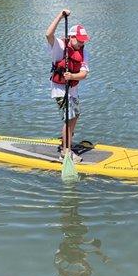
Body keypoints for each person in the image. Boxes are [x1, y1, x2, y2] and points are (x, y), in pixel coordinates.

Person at [45, 9, 90, 163]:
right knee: (68, 117)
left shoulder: (83, 52)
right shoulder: (59, 45)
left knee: (75, 116)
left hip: (73, 89)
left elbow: (84, 74)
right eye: (80, 40)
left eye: (84, 40)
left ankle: (66, 141)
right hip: (59, 90)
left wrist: (72, 76)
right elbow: (48, 34)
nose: (82, 43)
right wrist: (60, 15)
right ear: (71, 37)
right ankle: (65, 152)